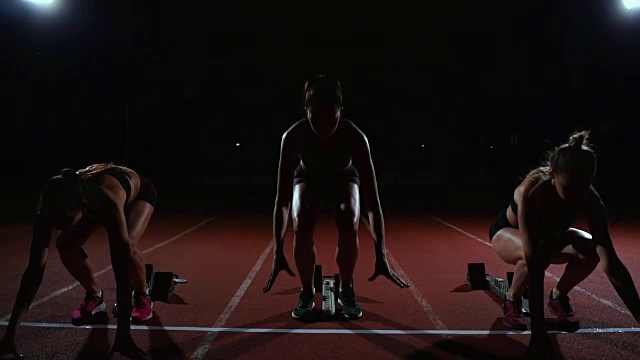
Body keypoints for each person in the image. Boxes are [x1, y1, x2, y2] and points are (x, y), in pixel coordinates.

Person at [262, 74, 409, 320]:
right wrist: (278, 251)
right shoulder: (293, 137)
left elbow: (372, 202)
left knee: (350, 218)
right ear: (305, 111)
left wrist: (381, 254)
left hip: (343, 179)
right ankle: (306, 291)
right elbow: (282, 201)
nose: (324, 128)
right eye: (316, 120)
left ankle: (347, 288)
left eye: (331, 119)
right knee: (301, 220)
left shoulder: (355, 137)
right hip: (308, 179)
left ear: (341, 110)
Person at [0, 163, 157, 359]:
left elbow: (121, 274)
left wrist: (122, 336)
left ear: (82, 208)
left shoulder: (106, 201)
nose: (58, 227)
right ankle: (94, 295)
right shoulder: (48, 206)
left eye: (63, 221)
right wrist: (10, 334)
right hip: (91, 200)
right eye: (55, 221)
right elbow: (33, 272)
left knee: (127, 249)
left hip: (138, 194)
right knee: (65, 244)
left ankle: (143, 294)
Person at [489, 130, 640, 334]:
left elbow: (610, 261)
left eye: (583, 187)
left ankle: (558, 296)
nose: (576, 196)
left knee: (591, 249)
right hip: (508, 233)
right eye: (569, 189)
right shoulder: (532, 192)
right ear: (552, 173)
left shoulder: (591, 199)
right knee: (538, 253)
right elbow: (534, 261)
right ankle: (512, 299)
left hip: (547, 238)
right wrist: (538, 333)